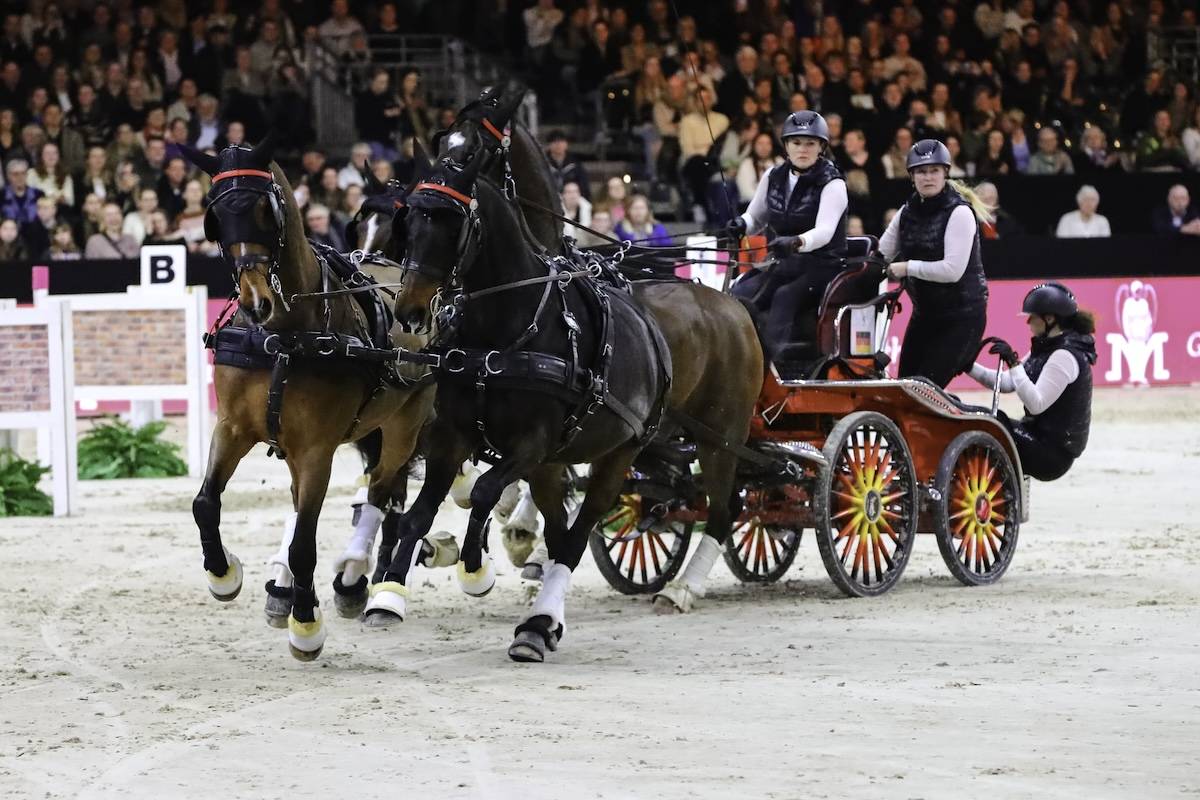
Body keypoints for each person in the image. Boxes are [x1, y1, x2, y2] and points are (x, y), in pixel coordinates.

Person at [728, 110, 848, 350]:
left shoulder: (833, 183)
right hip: (783, 262)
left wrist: (797, 241)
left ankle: (774, 363)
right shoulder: (772, 176)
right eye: (796, 143)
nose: (803, 149)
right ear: (786, 146)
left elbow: (825, 232)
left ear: (821, 147)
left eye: (810, 143)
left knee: (785, 296)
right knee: (741, 292)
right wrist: (742, 224)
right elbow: (756, 217)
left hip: (822, 266)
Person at [880, 139, 990, 389]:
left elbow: (952, 271)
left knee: (924, 390)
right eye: (921, 171)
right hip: (925, 315)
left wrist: (906, 267)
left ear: (945, 173)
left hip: (962, 318)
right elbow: (881, 254)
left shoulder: (959, 212)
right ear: (912, 176)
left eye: (934, 171)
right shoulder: (906, 211)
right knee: (905, 388)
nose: (928, 177)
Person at [968, 282, 1096, 481]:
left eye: (1032, 316)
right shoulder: (1047, 347)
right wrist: (968, 366)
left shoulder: (1064, 356)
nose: (1028, 322)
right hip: (1037, 437)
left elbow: (1036, 404)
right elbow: (1007, 383)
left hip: (1051, 454)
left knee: (992, 424)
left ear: (1050, 319)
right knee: (986, 418)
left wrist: (1013, 363)